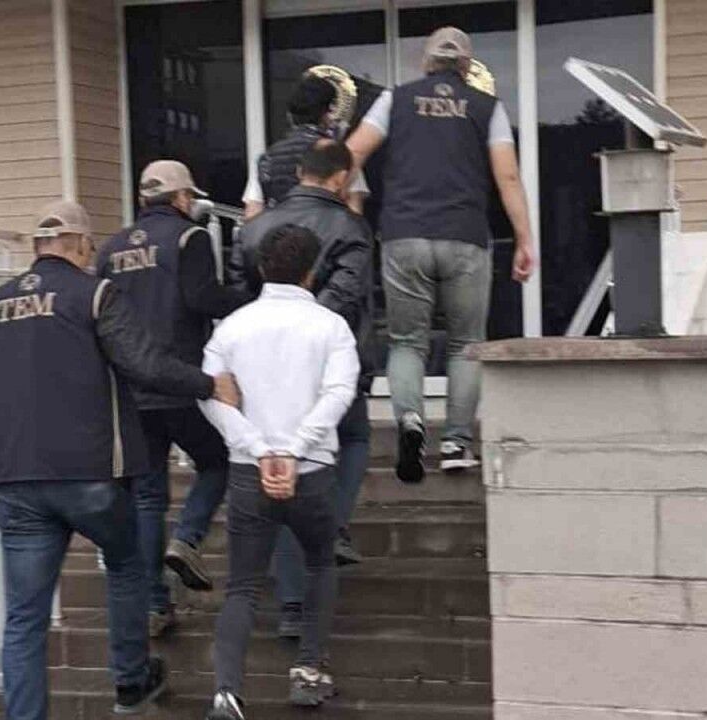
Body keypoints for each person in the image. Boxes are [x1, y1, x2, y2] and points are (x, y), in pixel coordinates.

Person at [0, 200, 239, 719]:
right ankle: (130, 681)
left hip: (13, 480)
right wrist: (207, 384)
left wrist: (1, 448)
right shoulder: (95, 295)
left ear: (38, 247)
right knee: (126, 562)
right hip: (89, 474)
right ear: (82, 246)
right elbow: (143, 364)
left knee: (23, 617)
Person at [346, 26, 536, 482]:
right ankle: (456, 443)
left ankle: (411, 425)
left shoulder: (394, 100)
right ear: (467, 67)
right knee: (465, 343)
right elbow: (508, 177)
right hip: (464, 236)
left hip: (404, 235)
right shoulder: (487, 107)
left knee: (407, 341)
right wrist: (525, 238)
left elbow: (352, 152)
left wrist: (346, 206)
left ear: (425, 61)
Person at [199, 225, 359, 719]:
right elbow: (339, 393)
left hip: (249, 472)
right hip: (312, 470)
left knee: (242, 586)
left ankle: (226, 693)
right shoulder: (332, 326)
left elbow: (210, 395)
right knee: (321, 564)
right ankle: (308, 672)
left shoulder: (230, 327)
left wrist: (258, 448)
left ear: (262, 268)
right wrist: (293, 450)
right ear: (313, 271)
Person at [96, 160, 251, 638]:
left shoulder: (111, 248)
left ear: (144, 199)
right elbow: (203, 298)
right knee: (218, 461)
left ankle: (154, 606)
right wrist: (253, 296)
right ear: (183, 198)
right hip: (180, 381)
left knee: (147, 498)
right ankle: (187, 538)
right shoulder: (190, 237)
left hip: (130, 389)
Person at [234, 139, 373, 636]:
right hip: (330, 363)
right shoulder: (351, 228)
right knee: (352, 440)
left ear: (298, 173)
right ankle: (333, 525)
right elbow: (348, 296)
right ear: (340, 179)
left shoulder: (254, 229)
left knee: (282, 474)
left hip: (265, 372)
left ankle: (292, 606)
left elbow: (239, 297)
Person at [241, 73, 370, 220]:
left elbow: (253, 212)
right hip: (326, 231)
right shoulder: (339, 155)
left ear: (289, 116)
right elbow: (354, 209)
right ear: (328, 114)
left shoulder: (267, 158)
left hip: (278, 232)